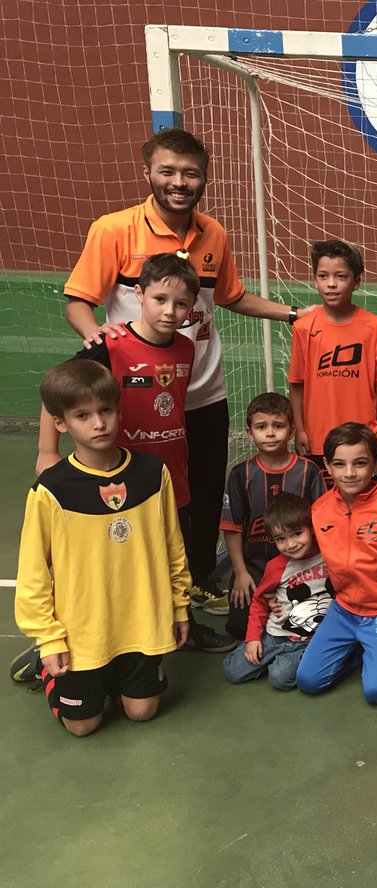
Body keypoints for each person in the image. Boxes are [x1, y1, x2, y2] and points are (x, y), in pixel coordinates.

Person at [60, 128, 312, 611]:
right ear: (149, 173)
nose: (179, 182)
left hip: (202, 393)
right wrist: (97, 339)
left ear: (204, 178)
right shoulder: (113, 230)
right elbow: (79, 302)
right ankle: (140, 588)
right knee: (145, 491)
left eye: (190, 173)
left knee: (199, 492)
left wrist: (296, 315)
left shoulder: (213, 233)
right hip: (139, 397)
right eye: (168, 171)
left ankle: (198, 579)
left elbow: (231, 296)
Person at [35, 253, 232, 653]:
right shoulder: (108, 345)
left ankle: (183, 624)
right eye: (160, 299)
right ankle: (75, 635)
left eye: (181, 304)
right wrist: (46, 451)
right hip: (121, 477)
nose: (170, 311)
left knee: (173, 554)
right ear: (139, 294)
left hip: (171, 473)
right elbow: (59, 390)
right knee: (119, 556)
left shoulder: (184, 349)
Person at [14, 361, 189, 735]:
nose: (99, 423)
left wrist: (178, 605)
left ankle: (114, 680)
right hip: (83, 631)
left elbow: (173, 546)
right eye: (82, 415)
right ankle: (45, 669)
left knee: (142, 711)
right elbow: (32, 572)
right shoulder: (52, 489)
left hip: (141, 621)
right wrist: (48, 638)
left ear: (119, 410)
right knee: (84, 726)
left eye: (105, 410)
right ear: (61, 424)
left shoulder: (152, 473)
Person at [294, 424, 377, 705]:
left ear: (376, 464)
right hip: (344, 610)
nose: (350, 473)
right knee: (308, 681)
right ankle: (364, 651)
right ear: (328, 467)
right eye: (340, 464)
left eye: (360, 463)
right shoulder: (320, 510)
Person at [219, 392, 326, 641]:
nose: (270, 433)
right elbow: (232, 527)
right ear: (249, 433)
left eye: (278, 426)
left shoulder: (308, 471)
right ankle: (267, 612)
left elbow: (322, 525)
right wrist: (241, 573)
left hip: (301, 564)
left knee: (309, 622)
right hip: (254, 568)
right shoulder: (240, 475)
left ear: (291, 431)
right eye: (261, 427)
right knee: (238, 628)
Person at [289, 240, 377, 473]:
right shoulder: (303, 327)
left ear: (356, 282)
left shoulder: (375, 326)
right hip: (318, 437)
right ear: (315, 280)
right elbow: (297, 384)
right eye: (323, 276)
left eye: (341, 277)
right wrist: (300, 429)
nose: (331, 284)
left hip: (364, 436)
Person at [223, 493, 334, 691]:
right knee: (232, 670)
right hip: (275, 635)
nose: (291, 544)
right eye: (281, 539)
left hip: (309, 640)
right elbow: (260, 602)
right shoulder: (276, 566)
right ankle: (278, 659)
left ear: (311, 529)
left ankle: (295, 661)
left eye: (297, 534)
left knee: (280, 678)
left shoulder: (330, 557)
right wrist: (253, 638)